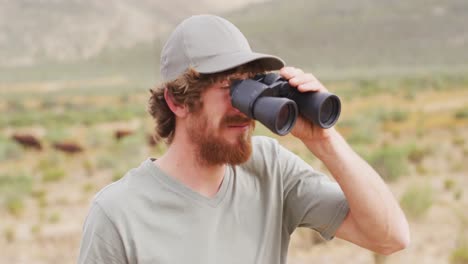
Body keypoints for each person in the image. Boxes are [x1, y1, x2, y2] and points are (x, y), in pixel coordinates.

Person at [78, 14, 409, 264]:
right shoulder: (118, 215)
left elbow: (390, 237)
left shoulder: (270, 169)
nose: (243, 107)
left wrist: (324, 139)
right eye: (228, 87)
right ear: (178, 101)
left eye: (250, 85)